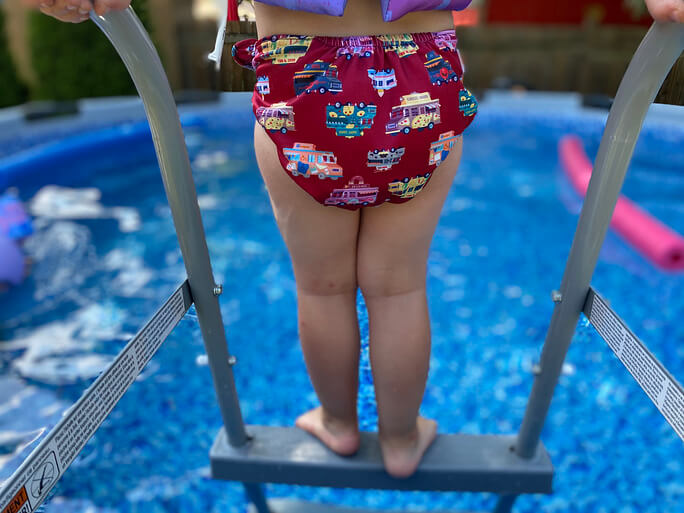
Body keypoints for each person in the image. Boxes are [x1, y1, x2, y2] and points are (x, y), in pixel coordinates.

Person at [27, 0, 683, 479]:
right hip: (419, 74)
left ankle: (339, 425)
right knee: (399, 286)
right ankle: (401, 440)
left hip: (300, 78)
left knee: (321, 285)